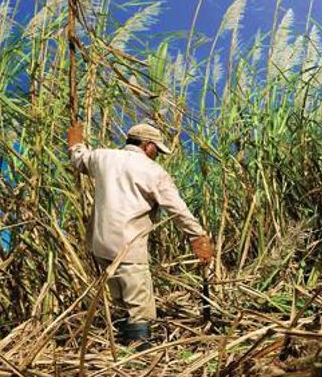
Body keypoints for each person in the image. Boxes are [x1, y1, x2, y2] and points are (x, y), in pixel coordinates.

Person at [67, 122, 214, 348]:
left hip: (100, 245)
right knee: (140, 310)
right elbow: (178, 210)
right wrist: (198, 237)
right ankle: (139, 360)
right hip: (128, 248)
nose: (158, 156)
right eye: (157, 149)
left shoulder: (102, 157)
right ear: (147, 146)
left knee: (120, 302)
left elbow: (79, 159)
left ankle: (121, 349)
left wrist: (76, 142)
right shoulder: (153, 171)